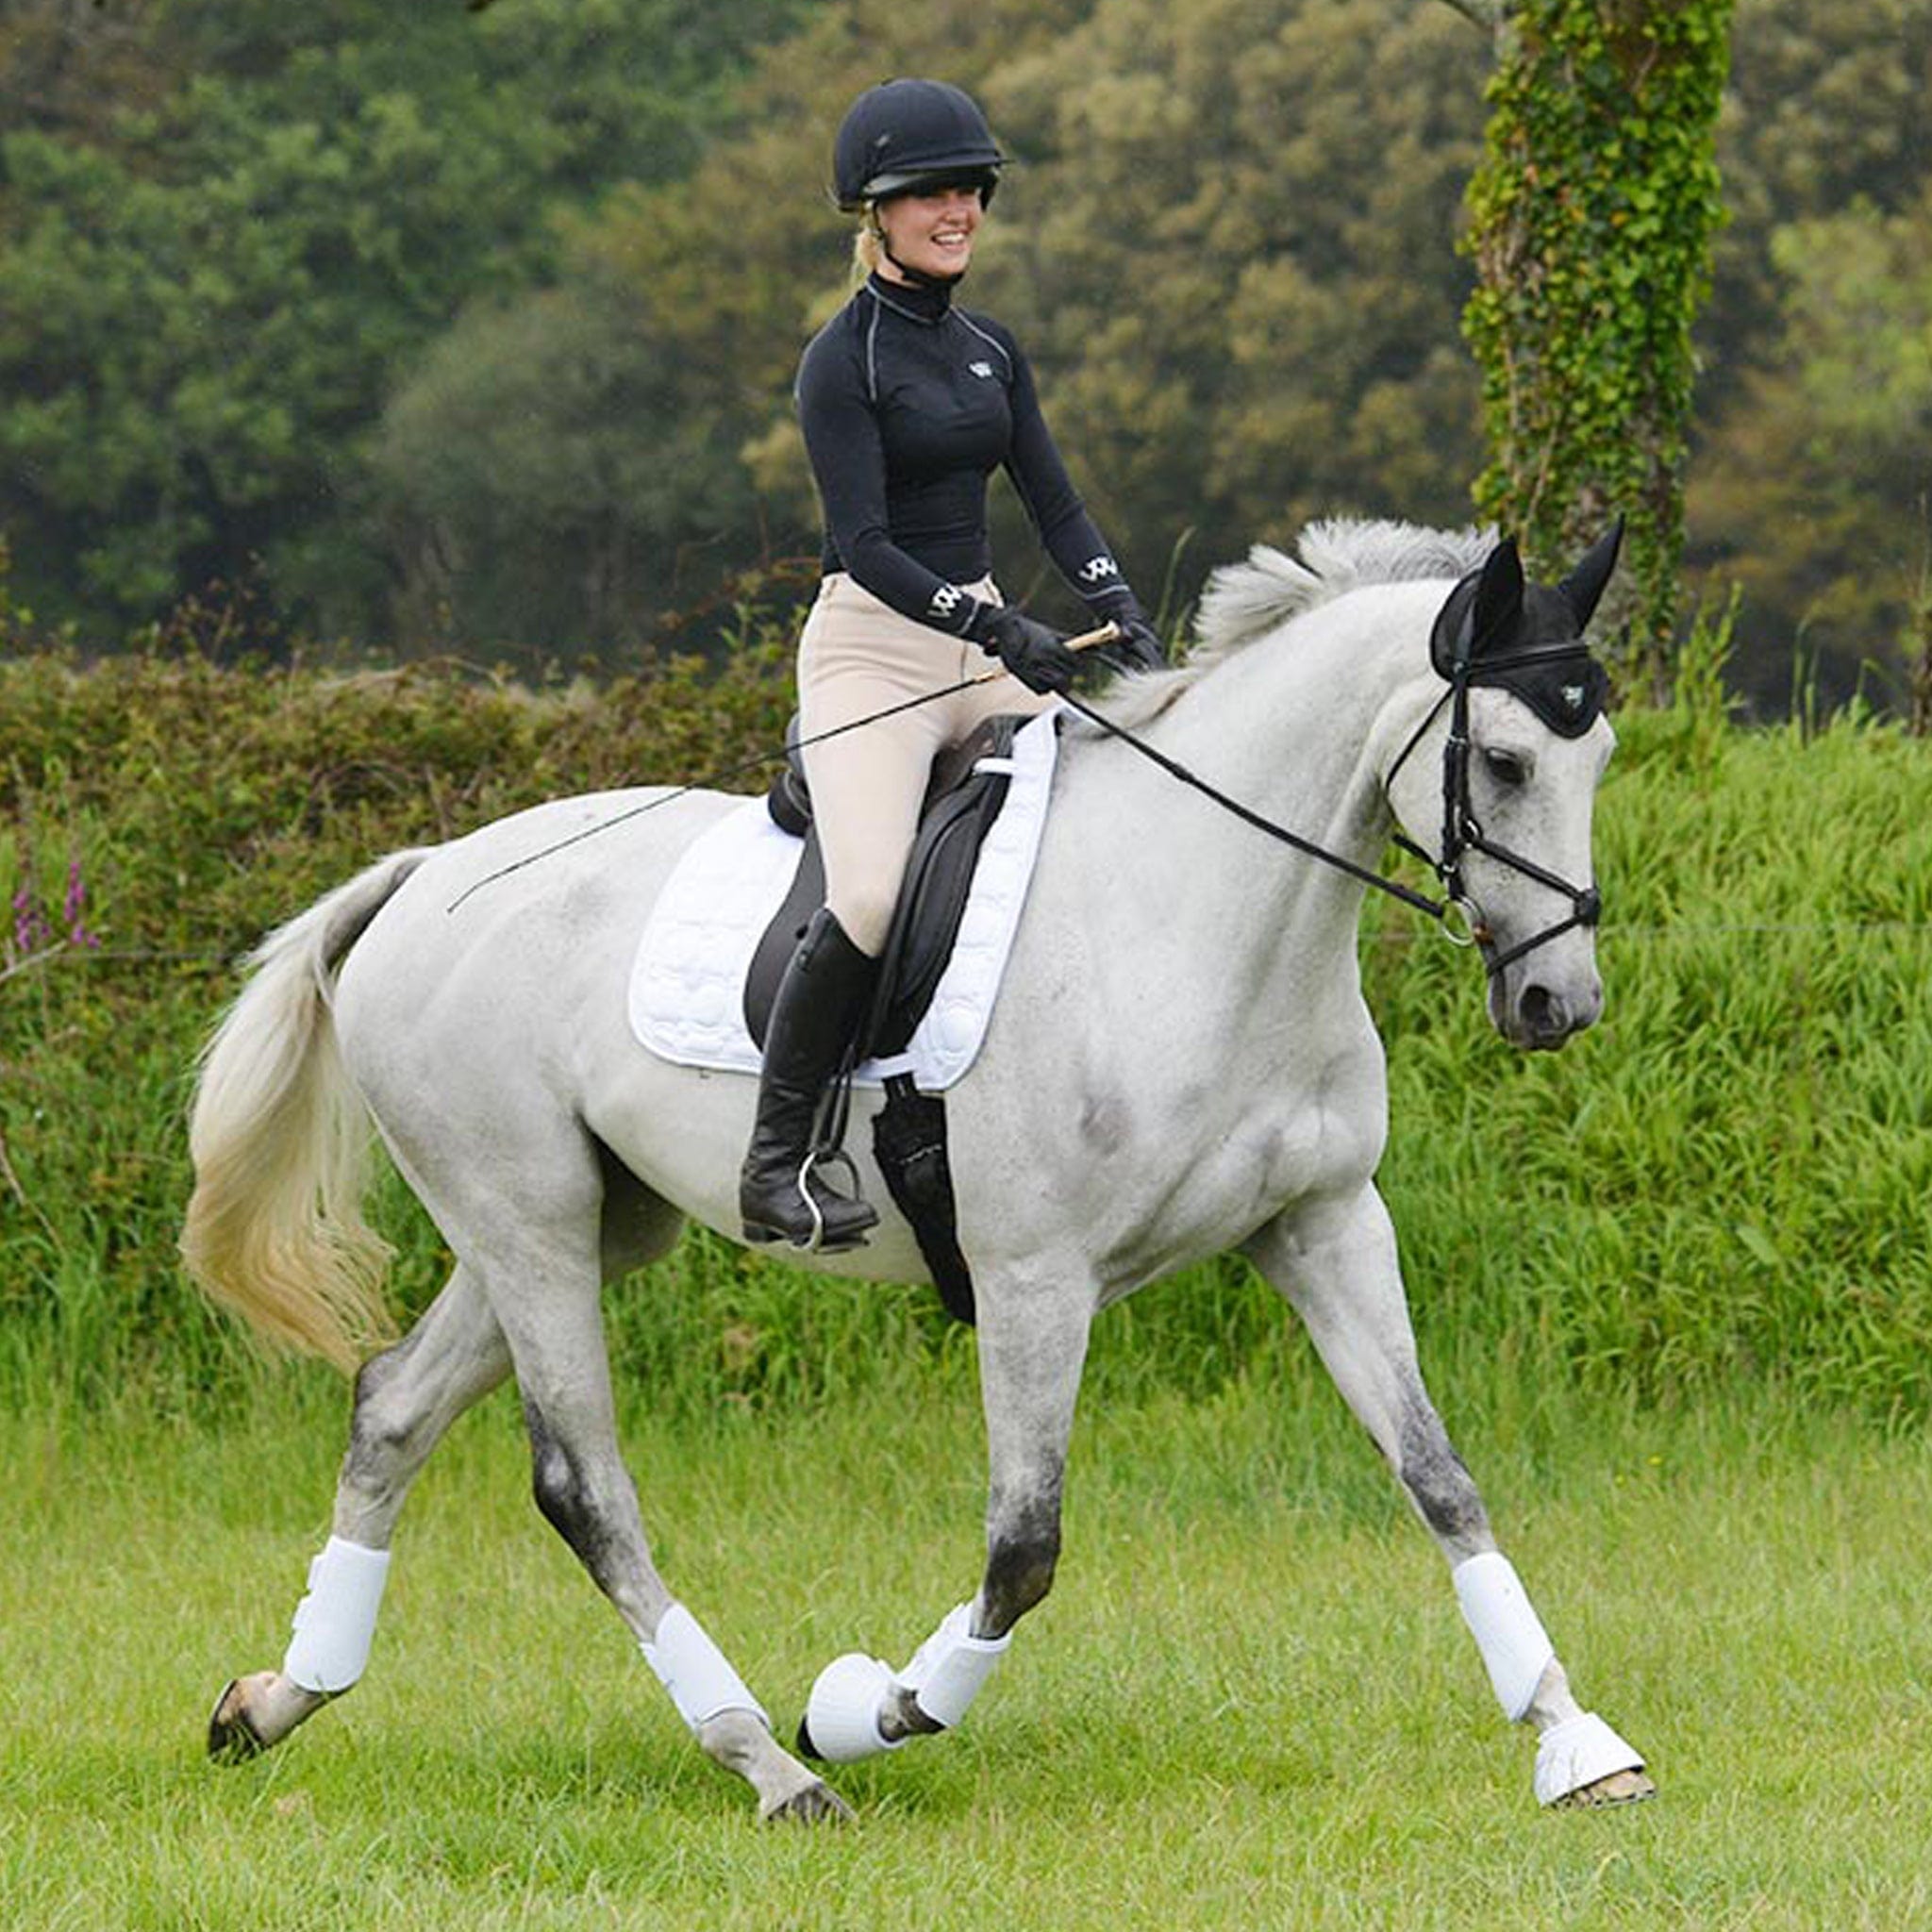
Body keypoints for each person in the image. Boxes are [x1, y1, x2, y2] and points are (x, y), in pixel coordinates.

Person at [739, 76, 1164, 1253]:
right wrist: (993, 633)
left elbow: (1053, 499)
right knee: (868, 893)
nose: (956, 208)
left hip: (980, 636)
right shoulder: (841, 363)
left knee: (1121, 796)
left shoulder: (989, 349)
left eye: (968, 188)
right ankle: (776, 1161)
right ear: (871, 216)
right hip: (873, 652)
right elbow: (866, 546)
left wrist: (1113, 600)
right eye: (927, 192)